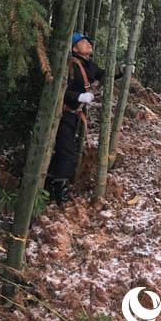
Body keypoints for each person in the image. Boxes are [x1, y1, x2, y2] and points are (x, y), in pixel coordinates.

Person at [45, 32, 126, 205]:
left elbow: (105, 75)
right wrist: (79, 97)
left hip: (74, 116)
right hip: (62, 115)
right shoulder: (70, 65)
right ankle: (60, 193)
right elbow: (59, 91)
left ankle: (49, 185)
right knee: (67, 152)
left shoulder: (89, 65)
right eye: (83, 42)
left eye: (88, 41)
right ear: (74, 48)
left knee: (64, 151)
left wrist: (121, 70)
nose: (88, 43)